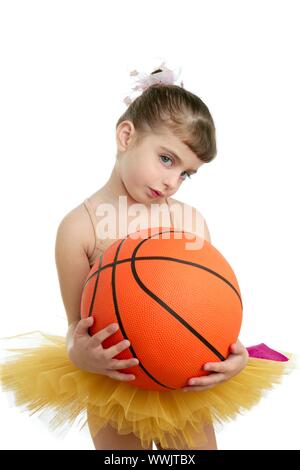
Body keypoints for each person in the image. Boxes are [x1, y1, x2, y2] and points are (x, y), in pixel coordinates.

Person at [0, 60, 294, 450]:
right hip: (114, 383)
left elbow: (209, 312)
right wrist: (79, 353)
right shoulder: (79, 228)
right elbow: (76, 329)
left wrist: (232, 357)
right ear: (126, 136)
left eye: (187, 173)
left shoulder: (191, 223)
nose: (173, 181)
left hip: (183, 379)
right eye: (167, 159)